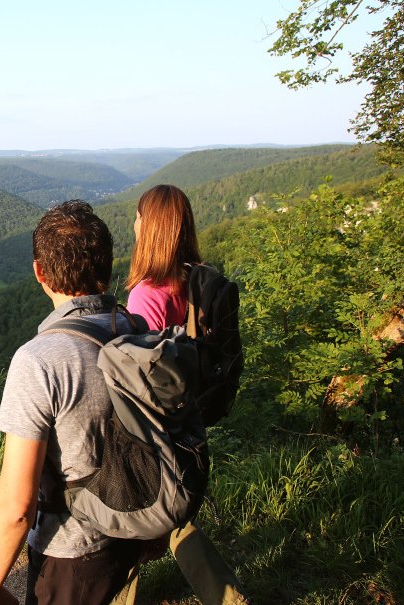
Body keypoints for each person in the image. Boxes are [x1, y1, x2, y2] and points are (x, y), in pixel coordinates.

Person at [0, 200, 146, 605]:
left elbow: (18, 504)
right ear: (107, 266)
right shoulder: (137, 330)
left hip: (72, 550)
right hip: (132, 526)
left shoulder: (40, 360)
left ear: (39, 272)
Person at [125, 184, 249, 605]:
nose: (134, 223)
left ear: (153, 227)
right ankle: (227, 596)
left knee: (130, 518)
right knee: (176, 516)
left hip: (158, 426)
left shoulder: (146, 294)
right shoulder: (196, 280)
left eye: (139, 216)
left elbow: (138, 376)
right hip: (192, 418)